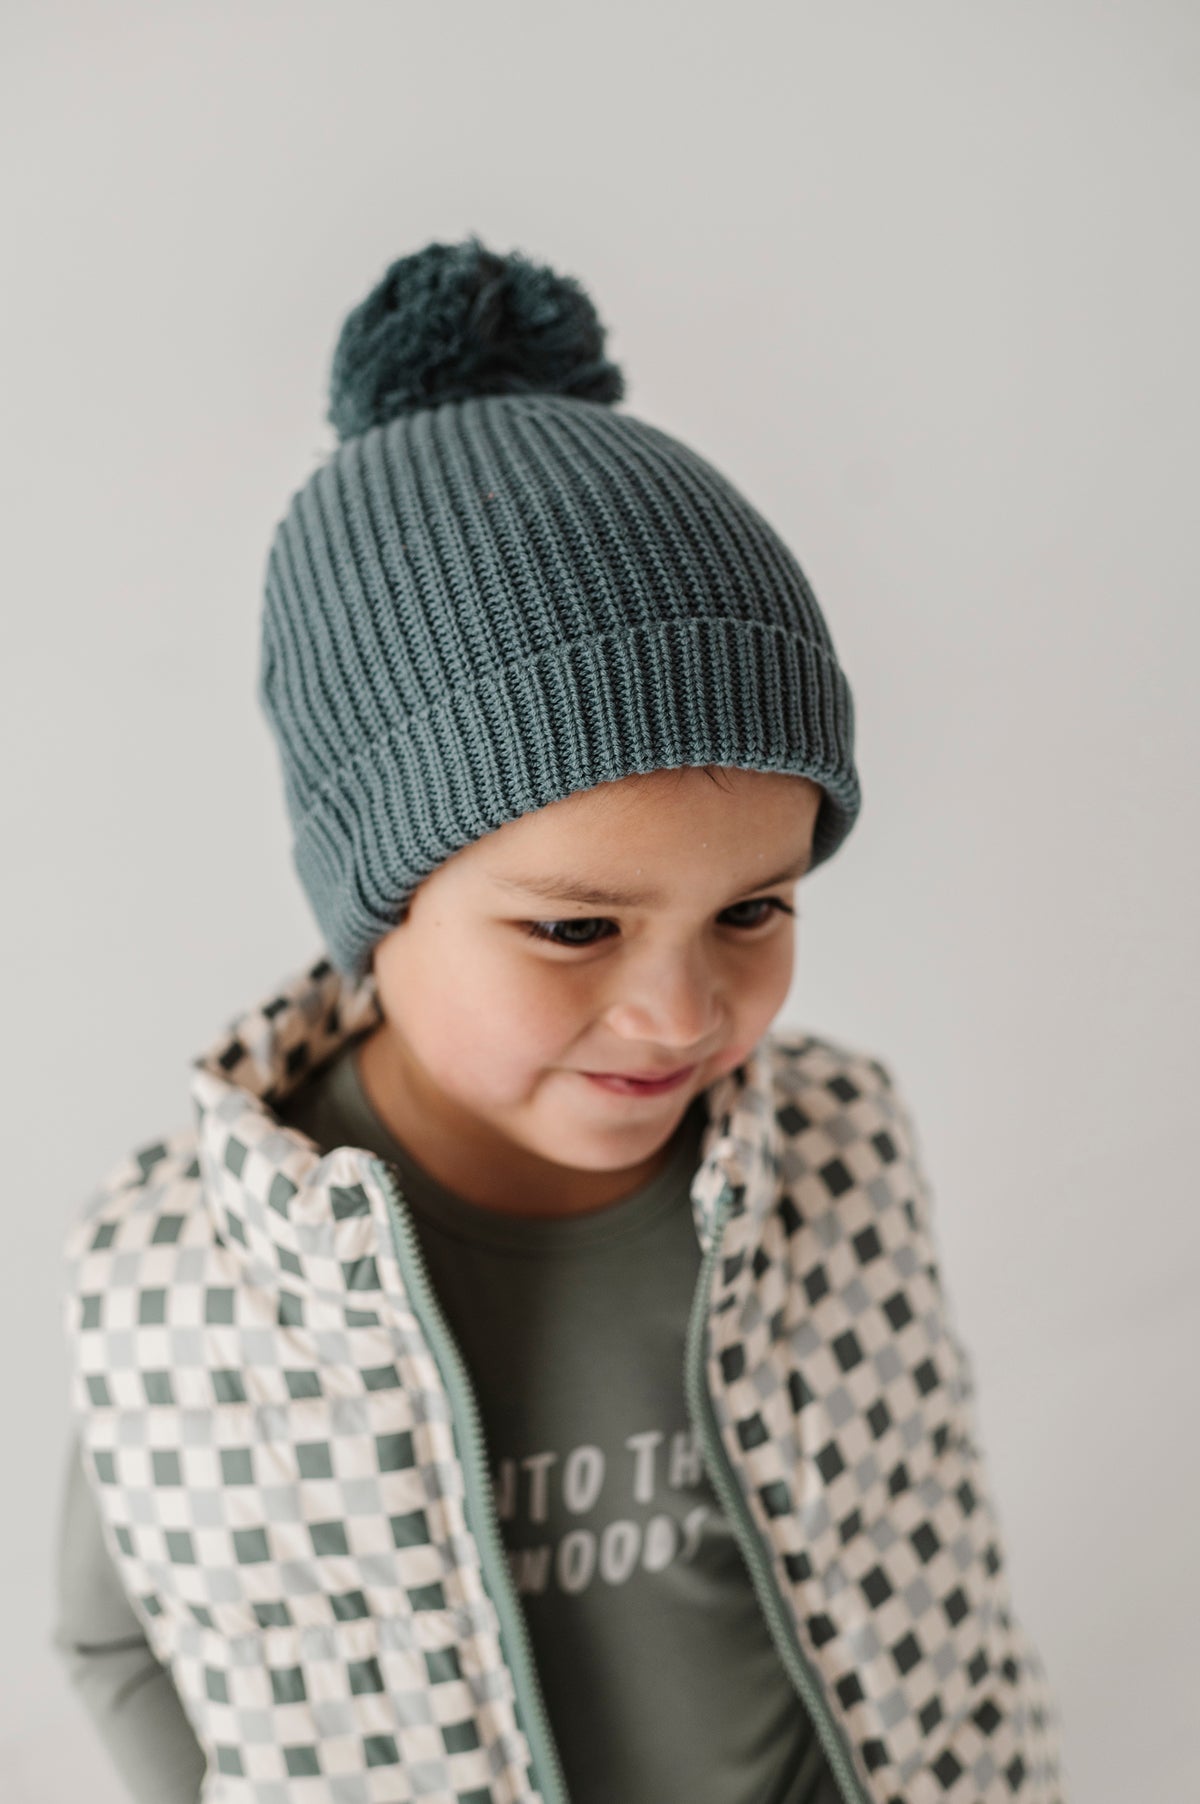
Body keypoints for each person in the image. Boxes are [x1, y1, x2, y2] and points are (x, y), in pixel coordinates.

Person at [54, 235, 1066, 1804]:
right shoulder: (192, 1280)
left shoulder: (838, 1162)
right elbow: (119, 1638)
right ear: (379, 900)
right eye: (576, 927)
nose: (681, 1011)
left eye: (755, 910)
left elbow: (939, 1586)